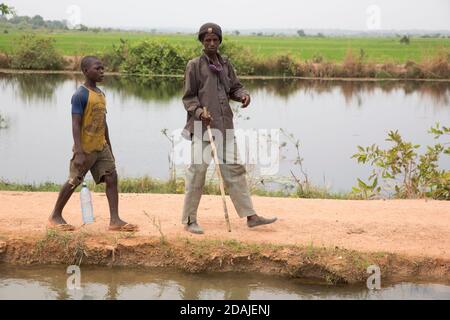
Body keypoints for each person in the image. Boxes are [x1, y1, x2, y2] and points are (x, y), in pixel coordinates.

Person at [181, 22, 277, 234]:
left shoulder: (225, 63)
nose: (212, 43)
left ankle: (251, 216)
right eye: (207, 40)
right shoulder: (194, 65)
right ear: (201, 42)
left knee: (234, 170)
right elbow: (189, 98)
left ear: (220, 41)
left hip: (225, 126)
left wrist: (243, 95)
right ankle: (189, 220)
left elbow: (234, 87)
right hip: (202, 128)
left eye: (215, 40)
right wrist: (199, 112)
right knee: (197, 173)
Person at [48, 56, 138, 232]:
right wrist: (79, 151)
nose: (102, 71)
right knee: (74, 180)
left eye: (103, 68)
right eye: (97, 68)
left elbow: (103, 122)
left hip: (100, 146)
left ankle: (115, 220)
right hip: (86, 148)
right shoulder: (80, 95)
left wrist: (109, 147)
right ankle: (55, 215)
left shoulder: (101, 94)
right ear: (85, 71)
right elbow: (75, 124)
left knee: (112, 177)